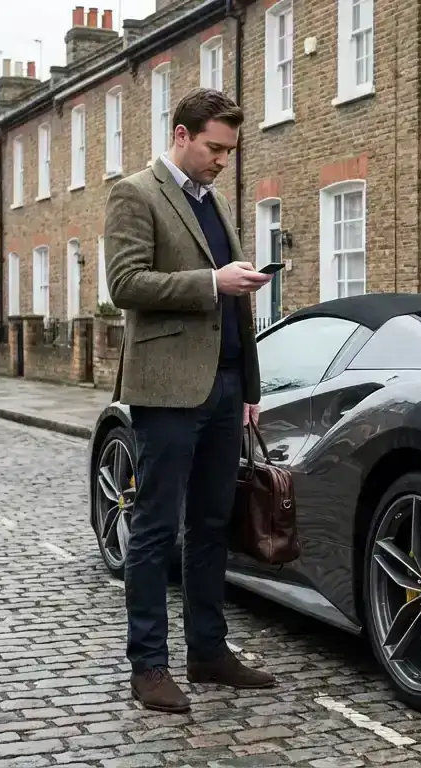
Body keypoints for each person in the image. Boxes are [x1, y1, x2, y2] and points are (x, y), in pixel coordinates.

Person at [103, 87, 275, 713]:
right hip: (168, 390)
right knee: (154, 531)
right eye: (215, 147)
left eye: (229, 150)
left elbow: (237, 301)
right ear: (181, 134)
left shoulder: (213, 203)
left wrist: (250, 388)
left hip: (227, 387)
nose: (223, 160)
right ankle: (147, 665)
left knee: (209, 527)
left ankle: (208, 651)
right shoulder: (136, 193)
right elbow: (125, 284)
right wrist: (212, 280)